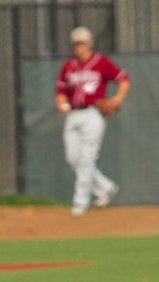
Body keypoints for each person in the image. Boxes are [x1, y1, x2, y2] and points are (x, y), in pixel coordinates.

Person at [55, 26, 130, 216]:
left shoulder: (101, 62)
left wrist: (117, 99)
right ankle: (105, 187)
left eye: (81, 42)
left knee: (87, 159)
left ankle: (80, 203)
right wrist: (62, 103)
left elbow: (124, 79)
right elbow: (61, 91)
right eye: (75, 43)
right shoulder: (69, 66)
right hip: (73, 114)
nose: (78, 46)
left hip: (93, 114)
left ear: (89, 43)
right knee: (73, 158)